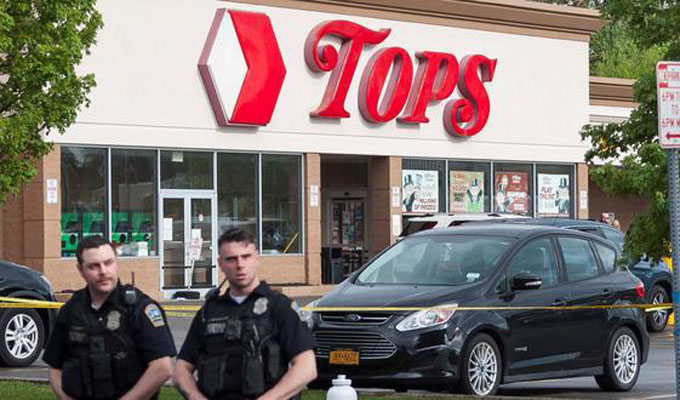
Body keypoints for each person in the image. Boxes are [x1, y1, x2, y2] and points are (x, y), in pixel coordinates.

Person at [173, 228, 317, 400]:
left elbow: (307, 368)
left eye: (246, 257)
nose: (240, 265)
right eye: (231, 259)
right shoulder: (209, 312)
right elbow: (181, 370)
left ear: (256, 258)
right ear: (220, 263)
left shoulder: (279, 307)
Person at [43, 236, 176, 400]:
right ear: (80, 270)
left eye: (108, 263)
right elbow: (54, 367)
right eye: (93, 266)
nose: (103, 271)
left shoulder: (139, 308)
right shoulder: (71, 310)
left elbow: (162, 367)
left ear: (116, 262)